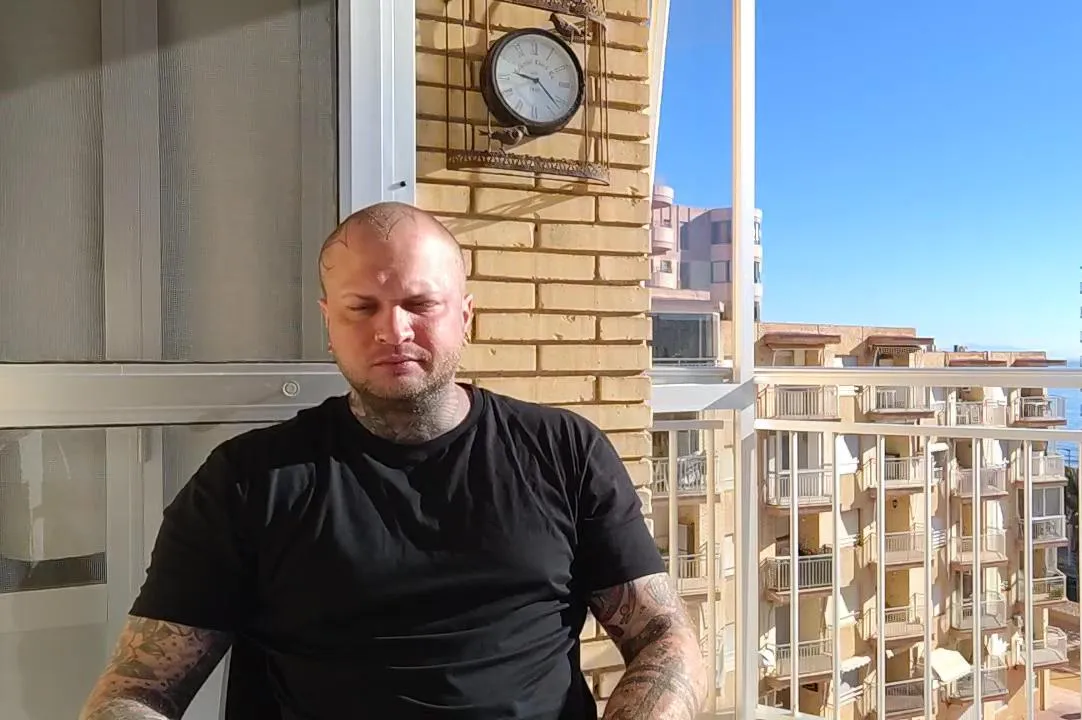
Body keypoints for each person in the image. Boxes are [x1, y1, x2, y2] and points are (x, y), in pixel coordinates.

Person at [79, 202, 707, 720]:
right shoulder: (246, 482)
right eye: (362, 308)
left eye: (420, 304)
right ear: (329, 323)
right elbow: (137, 690)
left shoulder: (564, 452)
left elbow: (664, 637)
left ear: (466, 316)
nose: (394, 330)